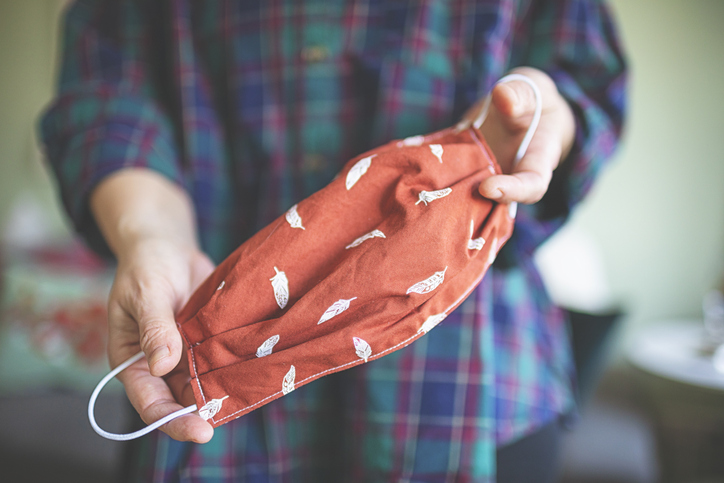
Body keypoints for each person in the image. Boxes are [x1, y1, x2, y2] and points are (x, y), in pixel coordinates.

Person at [41, 0, 626, 481]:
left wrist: (540, 109)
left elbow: (581, 70)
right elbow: (106, 88)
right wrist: (149, 232)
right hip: (200, 333)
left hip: (469, 373)